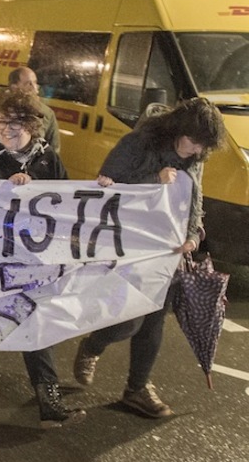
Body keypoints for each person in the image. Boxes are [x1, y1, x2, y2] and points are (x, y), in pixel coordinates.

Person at [72, 97, 226, 418]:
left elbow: (193, 202)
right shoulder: (137, 144)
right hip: (130, 246)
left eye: (203, 147)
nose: (197, 151)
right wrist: (154, 180)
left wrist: (193, 236)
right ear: (177, 130)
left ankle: (137, 388)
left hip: (167, 251)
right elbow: (107, 190)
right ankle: (93, 345)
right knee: (128, 321)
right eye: (194, 142)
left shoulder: (195, 157)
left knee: (154, 321)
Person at [0, 93, 85, 428]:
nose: (5, 130)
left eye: (14, 125)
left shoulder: (48, 160)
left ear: (31, 126)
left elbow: (67, 202)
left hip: (32, 259)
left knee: (34, 322)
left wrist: (36, 187)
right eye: (1, 123)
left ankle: (48, 399)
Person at [4, 66, 60, 153]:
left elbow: (54, 148)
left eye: (35, 83)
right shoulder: (2, 110)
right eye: (28, 84)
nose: (35, 88)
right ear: (14, 87)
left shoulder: (46, 113)